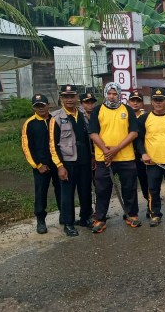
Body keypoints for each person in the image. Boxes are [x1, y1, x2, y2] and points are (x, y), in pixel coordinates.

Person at [88, 82, 140, 234]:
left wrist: (116, 148)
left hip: (126, 157)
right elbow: (93, 133)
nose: (112, 96)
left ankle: (131, 214)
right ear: (105, 94)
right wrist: (106, 150)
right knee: (102, 189)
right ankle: (100, 219)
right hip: (104, 158)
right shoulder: (98, 110)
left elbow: (134, 132)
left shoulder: (127, 110)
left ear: (119, 94)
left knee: (129, 188)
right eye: (109, 93)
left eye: (114, 93)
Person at [49, 85, 93, 236]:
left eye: (72, 96)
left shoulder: (82, 114)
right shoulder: (55, 118)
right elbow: (52, 145)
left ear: (76, 98)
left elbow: (89, 139)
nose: (69, 99)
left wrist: (92, 157)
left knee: (86, 190)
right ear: (61, 98)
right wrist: (60, 166)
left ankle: (85, 217)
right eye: (65, 97)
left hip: (85, 160)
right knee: (67, 194)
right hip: (67, 162)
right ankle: (68, 223)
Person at [137, 88, 165, 226]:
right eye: (155, 100)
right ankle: (155, 214)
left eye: (161, 100)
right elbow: (138, 139)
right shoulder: (144, 118)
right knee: (153, 190)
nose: (158, 103)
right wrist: (143, 153)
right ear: (151, 101)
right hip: (153, 162)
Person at [21, 94, 61, 234]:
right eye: (37, 106)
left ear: (48, 105)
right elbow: (26, 147)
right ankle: (41, 220)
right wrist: (38, 165)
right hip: (41, 166)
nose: (41, 108)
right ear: (33, 108)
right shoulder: (30, 124)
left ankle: (64, 215)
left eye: (42, 105)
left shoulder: (54, 120)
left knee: (61, 189)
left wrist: (61, 163)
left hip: (57, 163)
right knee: (41, 192)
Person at [128, 90, 150, 217]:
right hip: (127, 155)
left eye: (138, 101)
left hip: (142, 155)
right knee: (129, 185)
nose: (135, 103)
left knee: (146, 182)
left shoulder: (146, 117)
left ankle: (150, 205)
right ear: (129, 101)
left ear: (142, 103)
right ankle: (131, 210)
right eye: (133, 100)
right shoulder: (124, 116)